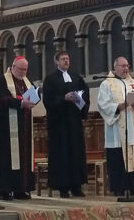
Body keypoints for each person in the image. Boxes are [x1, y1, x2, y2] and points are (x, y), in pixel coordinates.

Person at [97, 57, 134, 196]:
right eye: (122, 66)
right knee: (118, 156)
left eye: (127, 66)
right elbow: (103, 105)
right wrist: (119, 106)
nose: (126, 69)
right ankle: (119, 187)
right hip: (116, 128)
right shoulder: (107, 84)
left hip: (132, 127)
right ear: (115, 67)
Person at [41, 50, 90, 198]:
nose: (66, 61)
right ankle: (63, 188)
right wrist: (63, 98)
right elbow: (48, 100)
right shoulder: (50, 79)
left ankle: (77, 186)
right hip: (59, 124)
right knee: (62, 154)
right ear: (56, 62)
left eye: (67, 59)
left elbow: (85, 94)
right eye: (63, 59)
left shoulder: (76, 77)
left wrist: (80, 100)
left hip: (74, 122)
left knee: (76, 153)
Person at [0, 56, 37, 200]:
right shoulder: (2, 81)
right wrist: (20, 103)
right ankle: (5, 189)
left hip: (24, 124)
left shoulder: (27, 81)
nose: (24, 72)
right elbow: (0, 98)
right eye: (21, 69)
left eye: (26, 69)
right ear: (13, 66)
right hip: (6, 126)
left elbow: (34, 94)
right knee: (6, 157)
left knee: (24, 156)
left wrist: (34, 98)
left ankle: (21, 188)